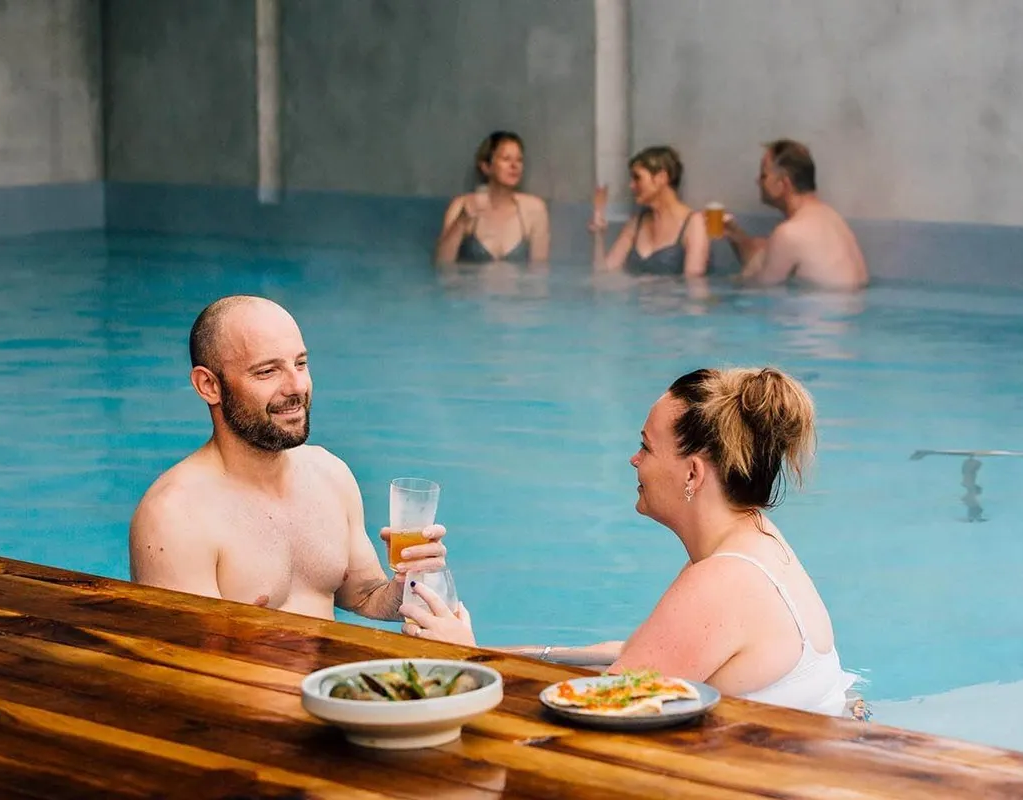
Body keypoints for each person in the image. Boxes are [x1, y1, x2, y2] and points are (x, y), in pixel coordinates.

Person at [401, 367, 857, 717]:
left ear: (693, 474)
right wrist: (495, 653)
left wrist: (466, 660)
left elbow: (591, 714)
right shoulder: (754, 538)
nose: (633, 459)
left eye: (646, 447)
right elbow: (639, 656)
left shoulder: (724, 580)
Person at [130, 295, 447, 620]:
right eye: (268, 371)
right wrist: (235, 639)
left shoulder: (330, 475)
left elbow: (366, 597)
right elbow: (179, 659)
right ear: (209, 385)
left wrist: (410, 583)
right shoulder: (174, 515)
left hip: (328, 672)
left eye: (300, 364)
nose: (297, 386)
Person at [724, 139, 868, 290]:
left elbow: (760, 293)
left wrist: (733, 283)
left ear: (783, 184)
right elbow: (762, 257)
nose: (758, 182)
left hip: (820, 310)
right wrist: (735, 236)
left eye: (763, 176)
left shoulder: (789, 233)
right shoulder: (833, 219)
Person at [590, 146, 710, 277]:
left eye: (637, 178)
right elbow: (604, 273)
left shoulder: (694, 223)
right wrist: (598, 234)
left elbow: (694, 286)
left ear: (661, 178)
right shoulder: (637, 222)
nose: (631, 185)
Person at [435, 131, 550, 266]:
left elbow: (540, 271)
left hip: (518, 286)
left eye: (519, 160)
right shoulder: (461, 205)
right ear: (486, 167)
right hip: (471, 286)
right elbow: (442, 264)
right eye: (506, 159)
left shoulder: (534, 209)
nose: (514, 166)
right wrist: (462, 220)